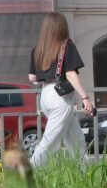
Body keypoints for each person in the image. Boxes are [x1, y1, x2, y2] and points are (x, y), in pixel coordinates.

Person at [29, 12, 94, 166]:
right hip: (60, 97)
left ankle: (86, 173)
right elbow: (70, 74)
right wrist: (85, 97)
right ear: (61, 28)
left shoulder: (38, 49)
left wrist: (48, 75)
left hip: (45, 95)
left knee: (76, 139)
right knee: (50, 141)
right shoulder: (66, 45)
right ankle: (27, 175)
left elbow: (32, 77)